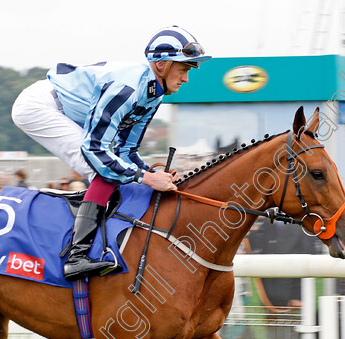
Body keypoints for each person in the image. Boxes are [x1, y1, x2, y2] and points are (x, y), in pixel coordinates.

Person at [12, 25, 210, 281]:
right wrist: (146, 179)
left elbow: (127, 149)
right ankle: (76, 256)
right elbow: (95, 149)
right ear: (161, 65)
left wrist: (150, 172)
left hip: (65, 110)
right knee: (102, 170)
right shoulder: (126, 88)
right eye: (183, 69)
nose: (186, 79)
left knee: (115, 168)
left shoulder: (154, 94)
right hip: (40, 106)